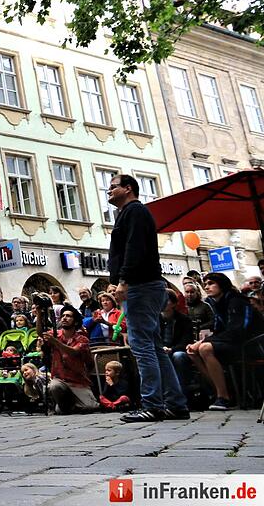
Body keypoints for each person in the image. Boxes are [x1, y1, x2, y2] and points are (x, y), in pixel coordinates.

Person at [106, 173, 188, 422]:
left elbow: (135, 248)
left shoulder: (135, 212)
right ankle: (175, 403)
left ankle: (152, 404)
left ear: (128, 188)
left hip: (140, 285)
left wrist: (123, 280)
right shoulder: (128, 213)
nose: (108, 191)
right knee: (153, 348)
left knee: (142, 347)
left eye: (113, 187)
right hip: (144, 284)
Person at [187, 272, 264, 411]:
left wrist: (203, 342)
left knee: (205, 348)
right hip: (234, 344)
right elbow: (218, 330)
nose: (206, 287)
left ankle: (224, 397)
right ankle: (221, 391)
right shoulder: (217, 304)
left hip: (251, 345)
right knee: (193, 352)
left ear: (222, 285)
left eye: (211, 284)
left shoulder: (237, 301)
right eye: (205, 284)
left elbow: (238, 331)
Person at [39, 309, 98, 414]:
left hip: (78, 381)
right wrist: (39, 313)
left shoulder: (82, 339)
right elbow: (40, 333)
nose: (64, 318)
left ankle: (67, 406)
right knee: (54, 386)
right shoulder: (55, 334)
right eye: (63, 316)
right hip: (60, 379)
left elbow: (73, 352)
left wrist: (55, 342)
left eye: (68, 316)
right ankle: (64, 406)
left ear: (75, 322)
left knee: (90, 407)